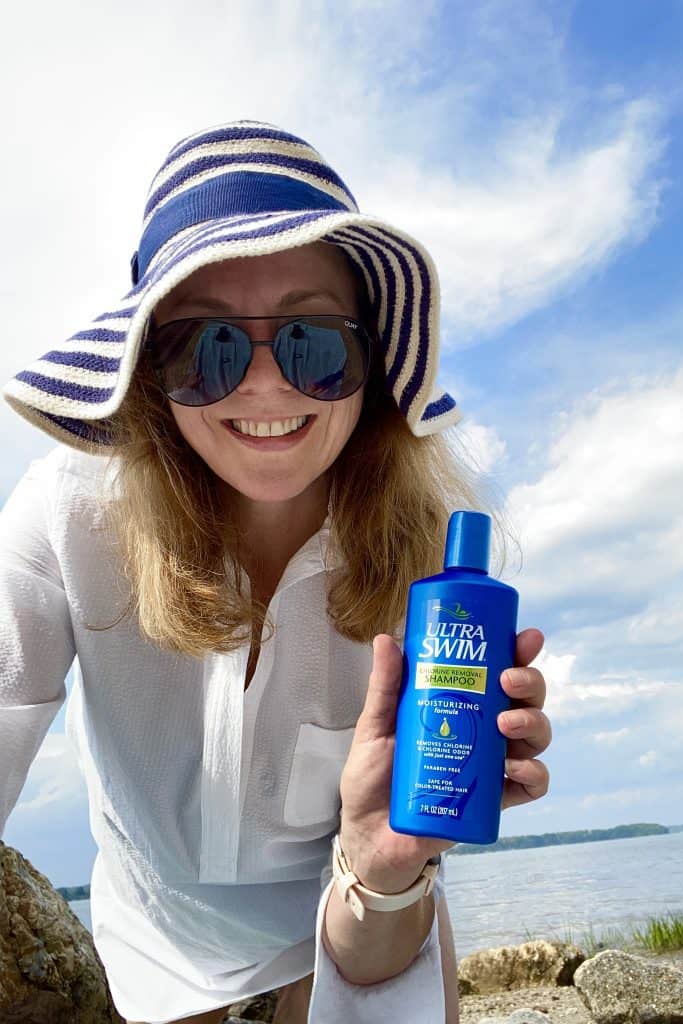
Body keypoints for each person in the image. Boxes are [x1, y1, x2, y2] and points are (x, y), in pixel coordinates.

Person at [0, 121, 552, 1024]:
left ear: (370, 365)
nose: (262, 386)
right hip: (151, 960)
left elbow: (380, 886)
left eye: (313, 342)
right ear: (147, 374)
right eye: (203, 348)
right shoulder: (66, 514)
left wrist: (387, 869)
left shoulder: (428, 575)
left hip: (359, 926)